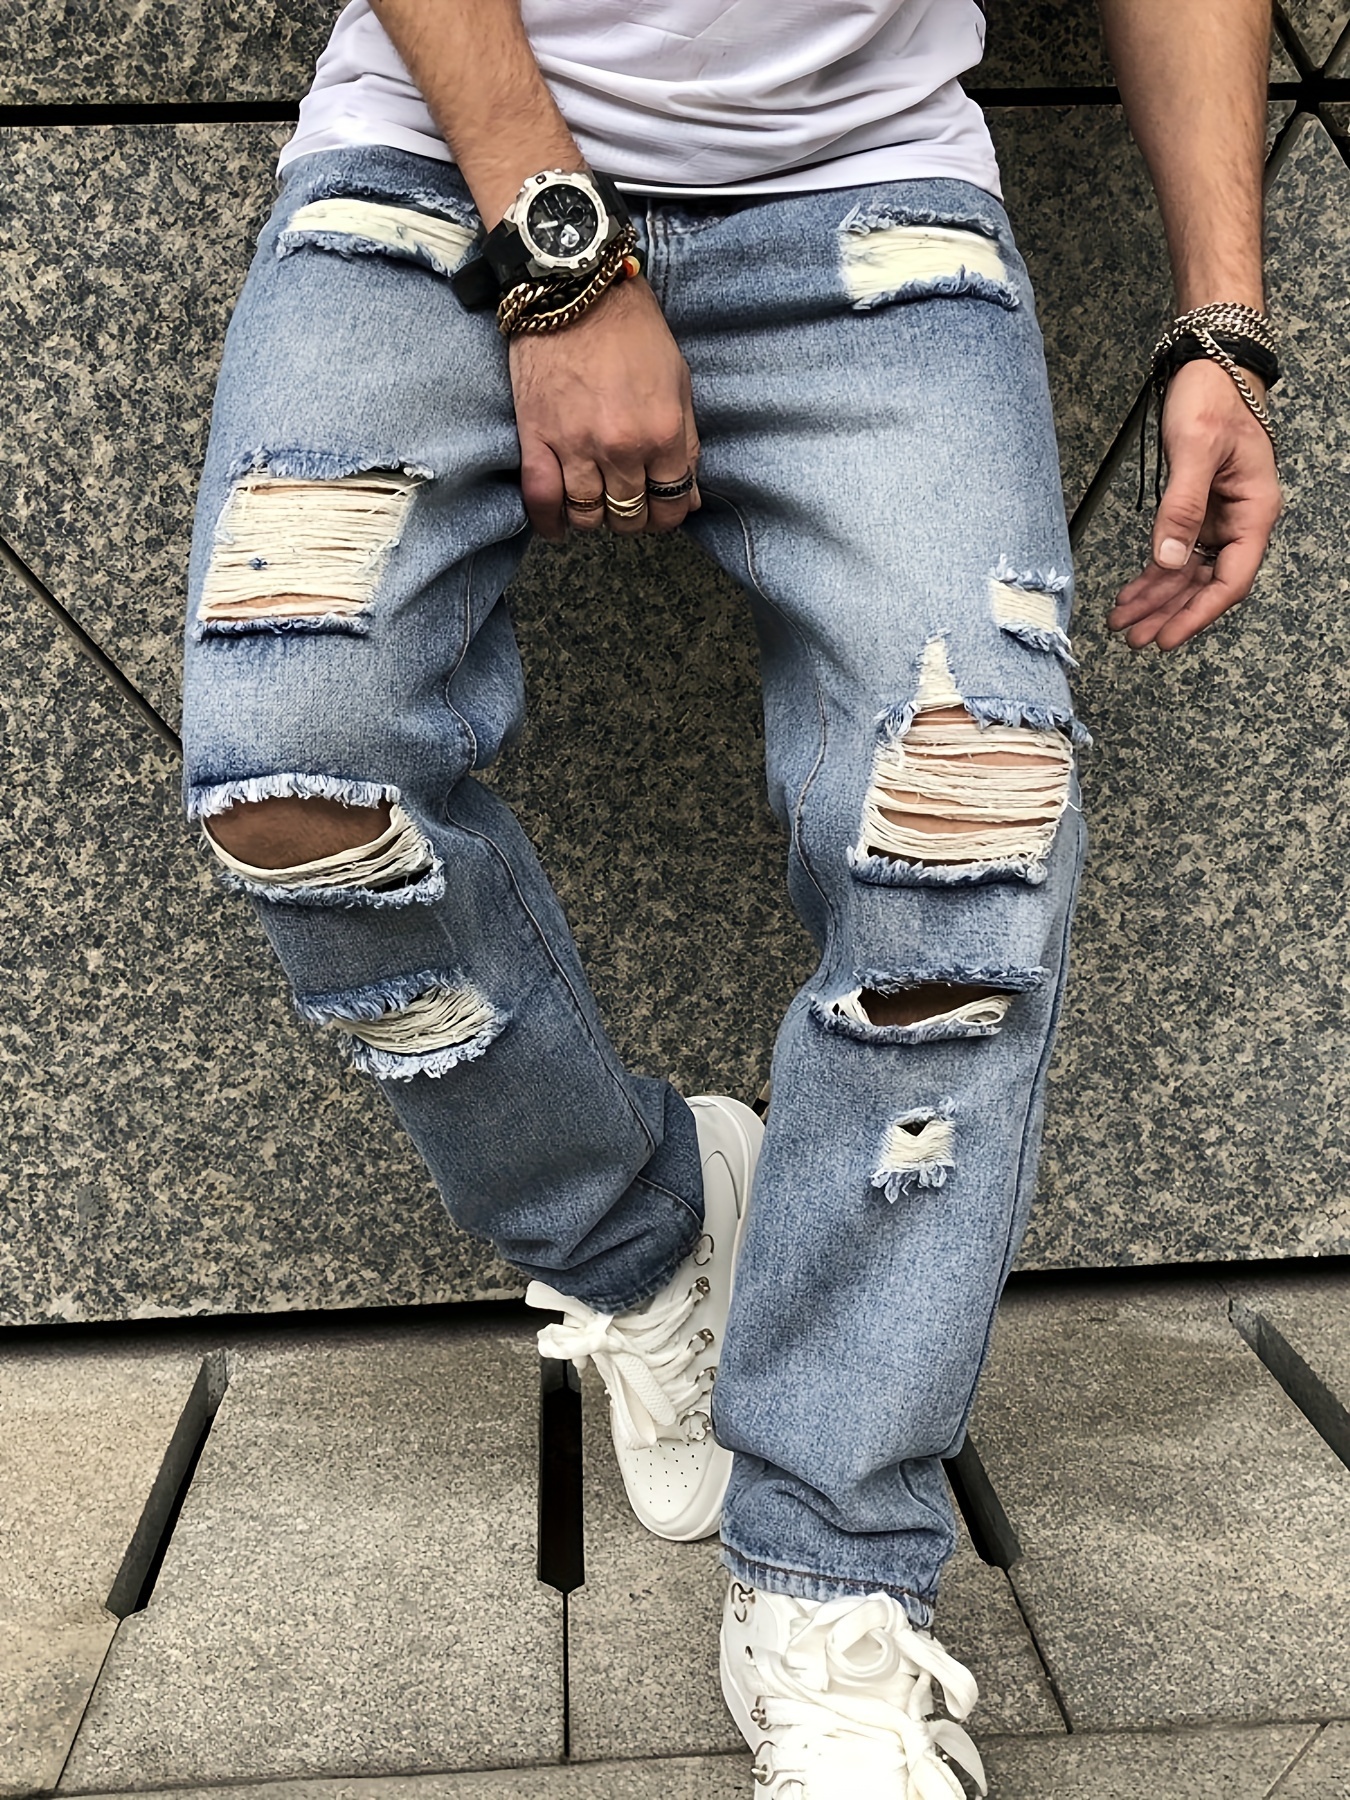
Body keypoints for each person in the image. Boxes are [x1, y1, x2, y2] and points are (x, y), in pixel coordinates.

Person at [181, 0, 1282, 1789]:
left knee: (964, 833)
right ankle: (639, 1229)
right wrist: (563, 259)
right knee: (296, 777)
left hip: (871, 201)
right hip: (425, 170)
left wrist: (1220, 321)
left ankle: (831, 1584)